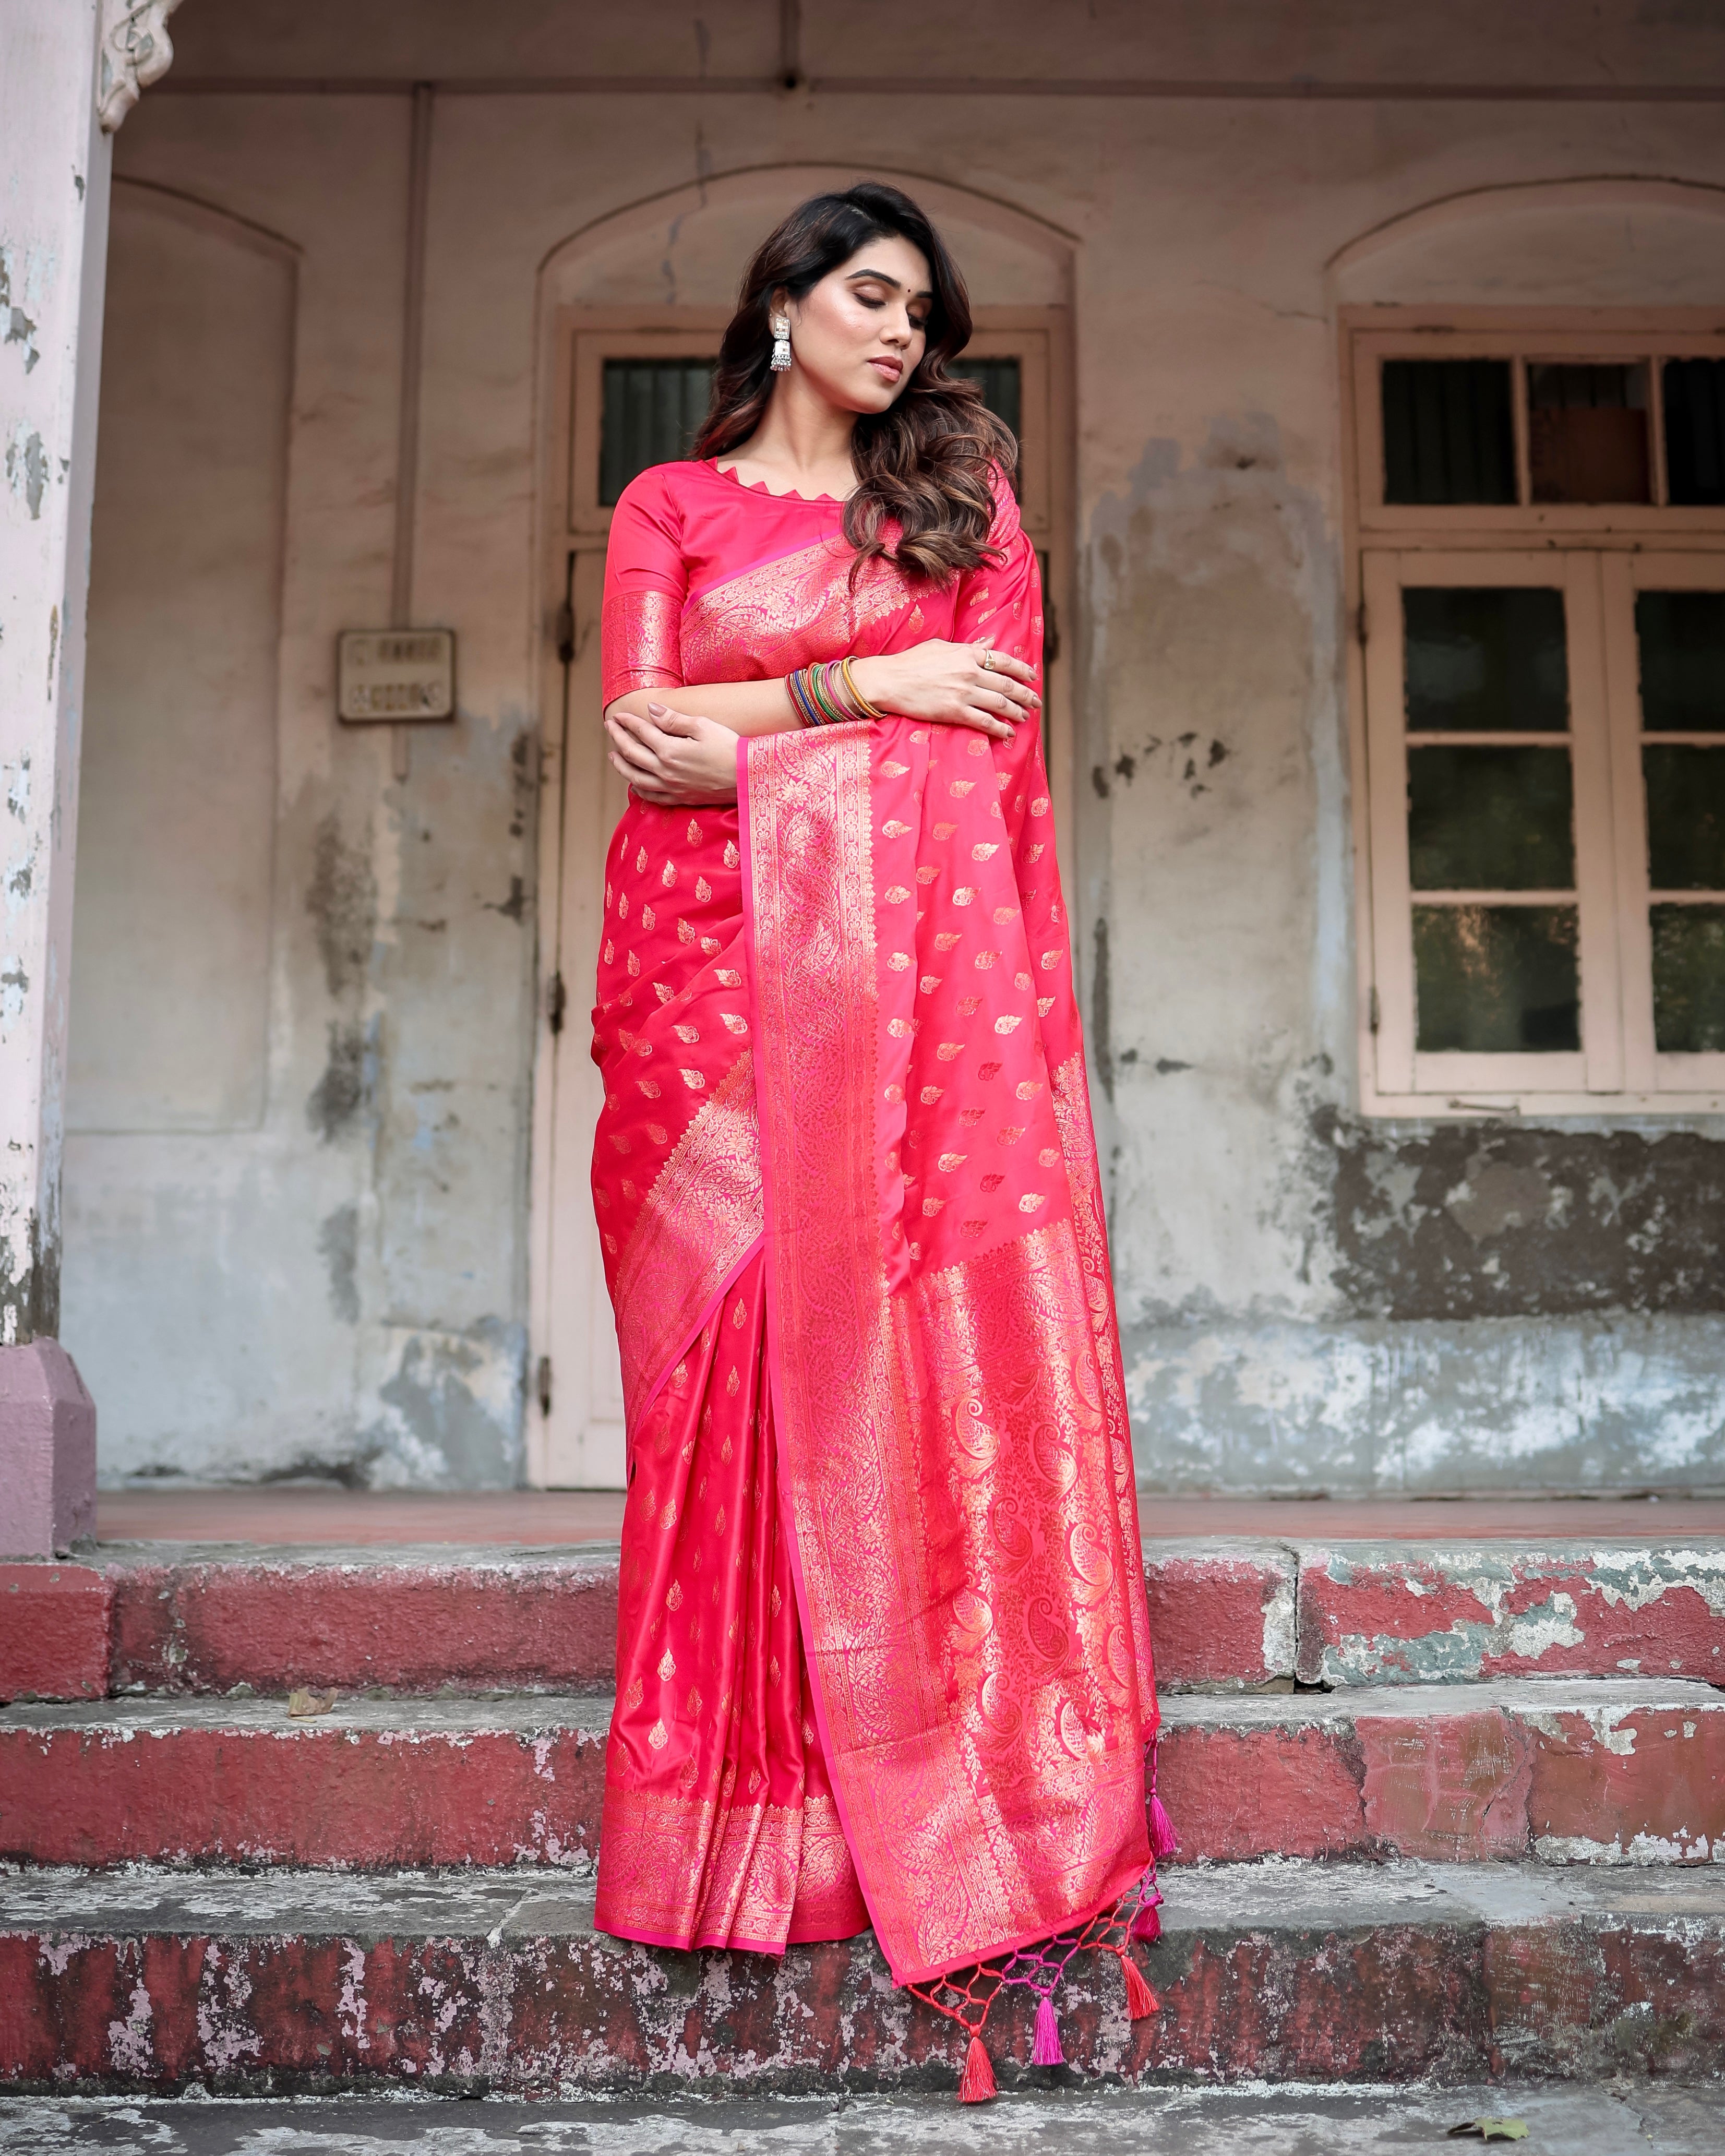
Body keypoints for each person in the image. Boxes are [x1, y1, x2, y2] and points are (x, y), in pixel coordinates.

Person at [590, 182, 1169, 2095]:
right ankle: (726, 1821)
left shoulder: (961, 508)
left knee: (897, 1373)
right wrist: (871, 685)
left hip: (914, 1022)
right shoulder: (665, 511)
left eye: (923, 305)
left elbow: (978, 757)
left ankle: (905, 1809)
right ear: (779, 307)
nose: (902, 330)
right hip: (699, 1009)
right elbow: (639, 733)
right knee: (723, 1379)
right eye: (866, 293)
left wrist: (780, 725)